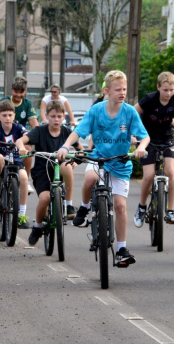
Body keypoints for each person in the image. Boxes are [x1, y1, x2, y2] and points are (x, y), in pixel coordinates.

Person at [57, 70, 149, 268]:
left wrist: (141, 147)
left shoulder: (129, 112)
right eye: (118, 89)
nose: (122, 93)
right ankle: (84, 207)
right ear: (107, 91)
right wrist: (65, 146)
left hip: (120, 162)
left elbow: (145, 136)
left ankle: (121, 249)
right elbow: (78, 132)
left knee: (120, 206)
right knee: (90, 178)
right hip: (99, 158)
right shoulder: (96, 110)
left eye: (124, 89)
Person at [17, 99, 82, 245]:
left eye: (59, 116)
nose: (56, 119)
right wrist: (22, 147)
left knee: (67, 166)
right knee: (45, 199)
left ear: (64, 117)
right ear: (46, 116)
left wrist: (76, 161)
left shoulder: (67, 132)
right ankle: (38, 225)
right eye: (53, 116)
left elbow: (80, 150)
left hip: (60, 169)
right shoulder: (40, 131)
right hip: (42, 171)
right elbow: (20, 141)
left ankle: (69, 205)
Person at [133, 71, 174, 227]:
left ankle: (170, 210)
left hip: (167, 138)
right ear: (158, 87)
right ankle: (141, 207)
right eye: (165, 90)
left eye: (171, 90)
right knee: (149, 175)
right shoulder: (149, 98)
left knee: (171, 172)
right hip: (147, 139)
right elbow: (131, 113)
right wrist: (132, 135)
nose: (168, 93)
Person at [0, 99, 31, 229]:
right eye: (4, 115)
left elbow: (27, 134)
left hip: (16, 161)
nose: (7, 118)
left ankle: (21, 214)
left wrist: (25, 144)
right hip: (1, 162)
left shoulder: (18, 128)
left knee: (24, 178)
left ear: (14, 116)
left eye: (10, 115)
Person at [0, 76, 39, 192]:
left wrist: (37, 136)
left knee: (28, 149)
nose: (18, 95)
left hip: (19, 137)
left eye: (21, 92)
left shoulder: (27, 103)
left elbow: (33, 122)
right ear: (12, 90)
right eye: (16, 92)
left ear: (25, 91)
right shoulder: (4, 101)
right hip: (3, 135)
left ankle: (26, 180)